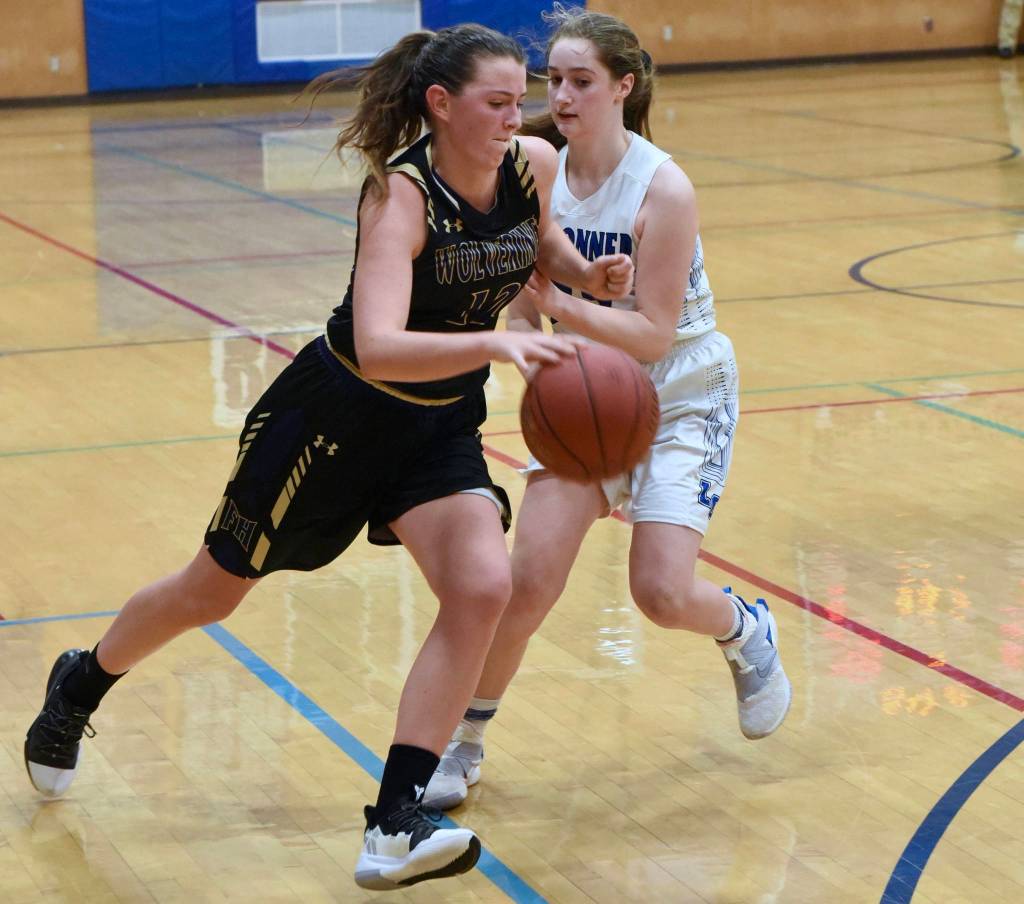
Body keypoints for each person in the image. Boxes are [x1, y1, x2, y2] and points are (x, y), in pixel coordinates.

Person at [22, 24, 633, 892]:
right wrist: (499, 349)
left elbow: (524, 249)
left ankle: (394, 822)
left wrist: (582, 275)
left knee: (483, 587)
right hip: (334, 418)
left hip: (436, 428)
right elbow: (381, 345)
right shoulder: (398, 196)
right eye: (496, 102)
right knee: (212, 592)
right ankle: (81, 683)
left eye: (517, 100)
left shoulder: (527, 162)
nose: (515, 116)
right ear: (440, 104)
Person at [425, 6, 792, 812]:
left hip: (681, 391)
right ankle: (465, 740)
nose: (561, 95)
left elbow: (655, 334)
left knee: (659, 595)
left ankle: (743, 628)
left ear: (623, 87)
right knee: (523, 585)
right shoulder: (533, 172)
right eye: (553, 80)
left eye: (580, 81)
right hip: (587, 393)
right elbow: (523, 305)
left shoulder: (664, 186)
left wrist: (568, 303)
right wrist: (536, 338)